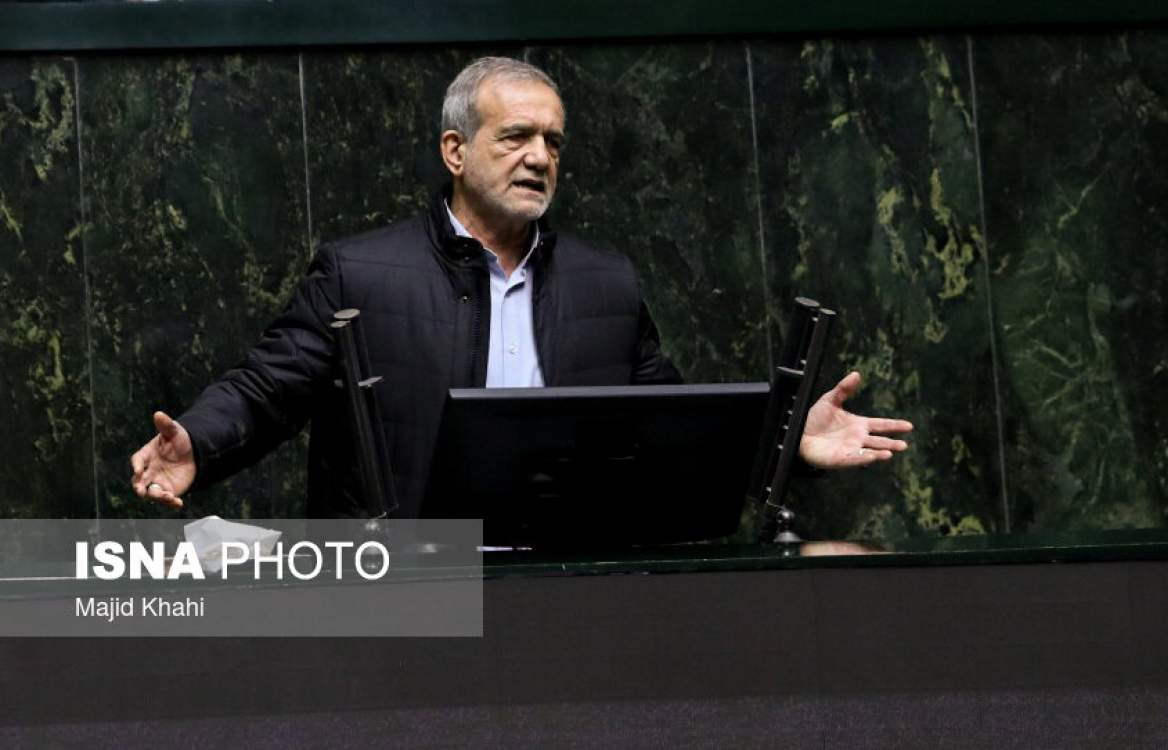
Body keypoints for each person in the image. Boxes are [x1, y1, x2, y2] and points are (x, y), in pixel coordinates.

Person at [131, 57, 913, 517]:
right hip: (406, 594)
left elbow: (671, 434)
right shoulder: (360, 273)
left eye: (553, 141)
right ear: (455, 150)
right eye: (516, 136)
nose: (539, 156)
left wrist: (790, 444)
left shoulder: (606, 283)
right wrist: (197, 440)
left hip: (561, 594)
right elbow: (269, 386)